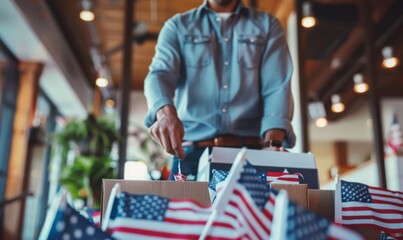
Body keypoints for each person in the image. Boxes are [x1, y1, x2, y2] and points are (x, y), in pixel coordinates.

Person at [144, 0, 296, 181]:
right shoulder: (177, 26)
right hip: (190, 155)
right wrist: (165, 114)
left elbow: (277, 86)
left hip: (254, 153)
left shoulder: (268, 25)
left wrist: (273, 143)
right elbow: (159, 75)